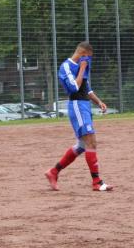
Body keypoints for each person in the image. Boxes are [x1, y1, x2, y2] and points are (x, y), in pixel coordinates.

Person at [45, 41, 113, 192]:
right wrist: (82, 68)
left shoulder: (83, 67)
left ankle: (53, 172)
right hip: (76, 105)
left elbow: (86, 89)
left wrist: (99, 102)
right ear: (83, 54)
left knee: (82, 146)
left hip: (84, 106)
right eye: (88, 57)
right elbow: (74, 88)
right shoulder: (66, 66)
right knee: (91, 142)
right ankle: (96, 182)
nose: (89, 61)